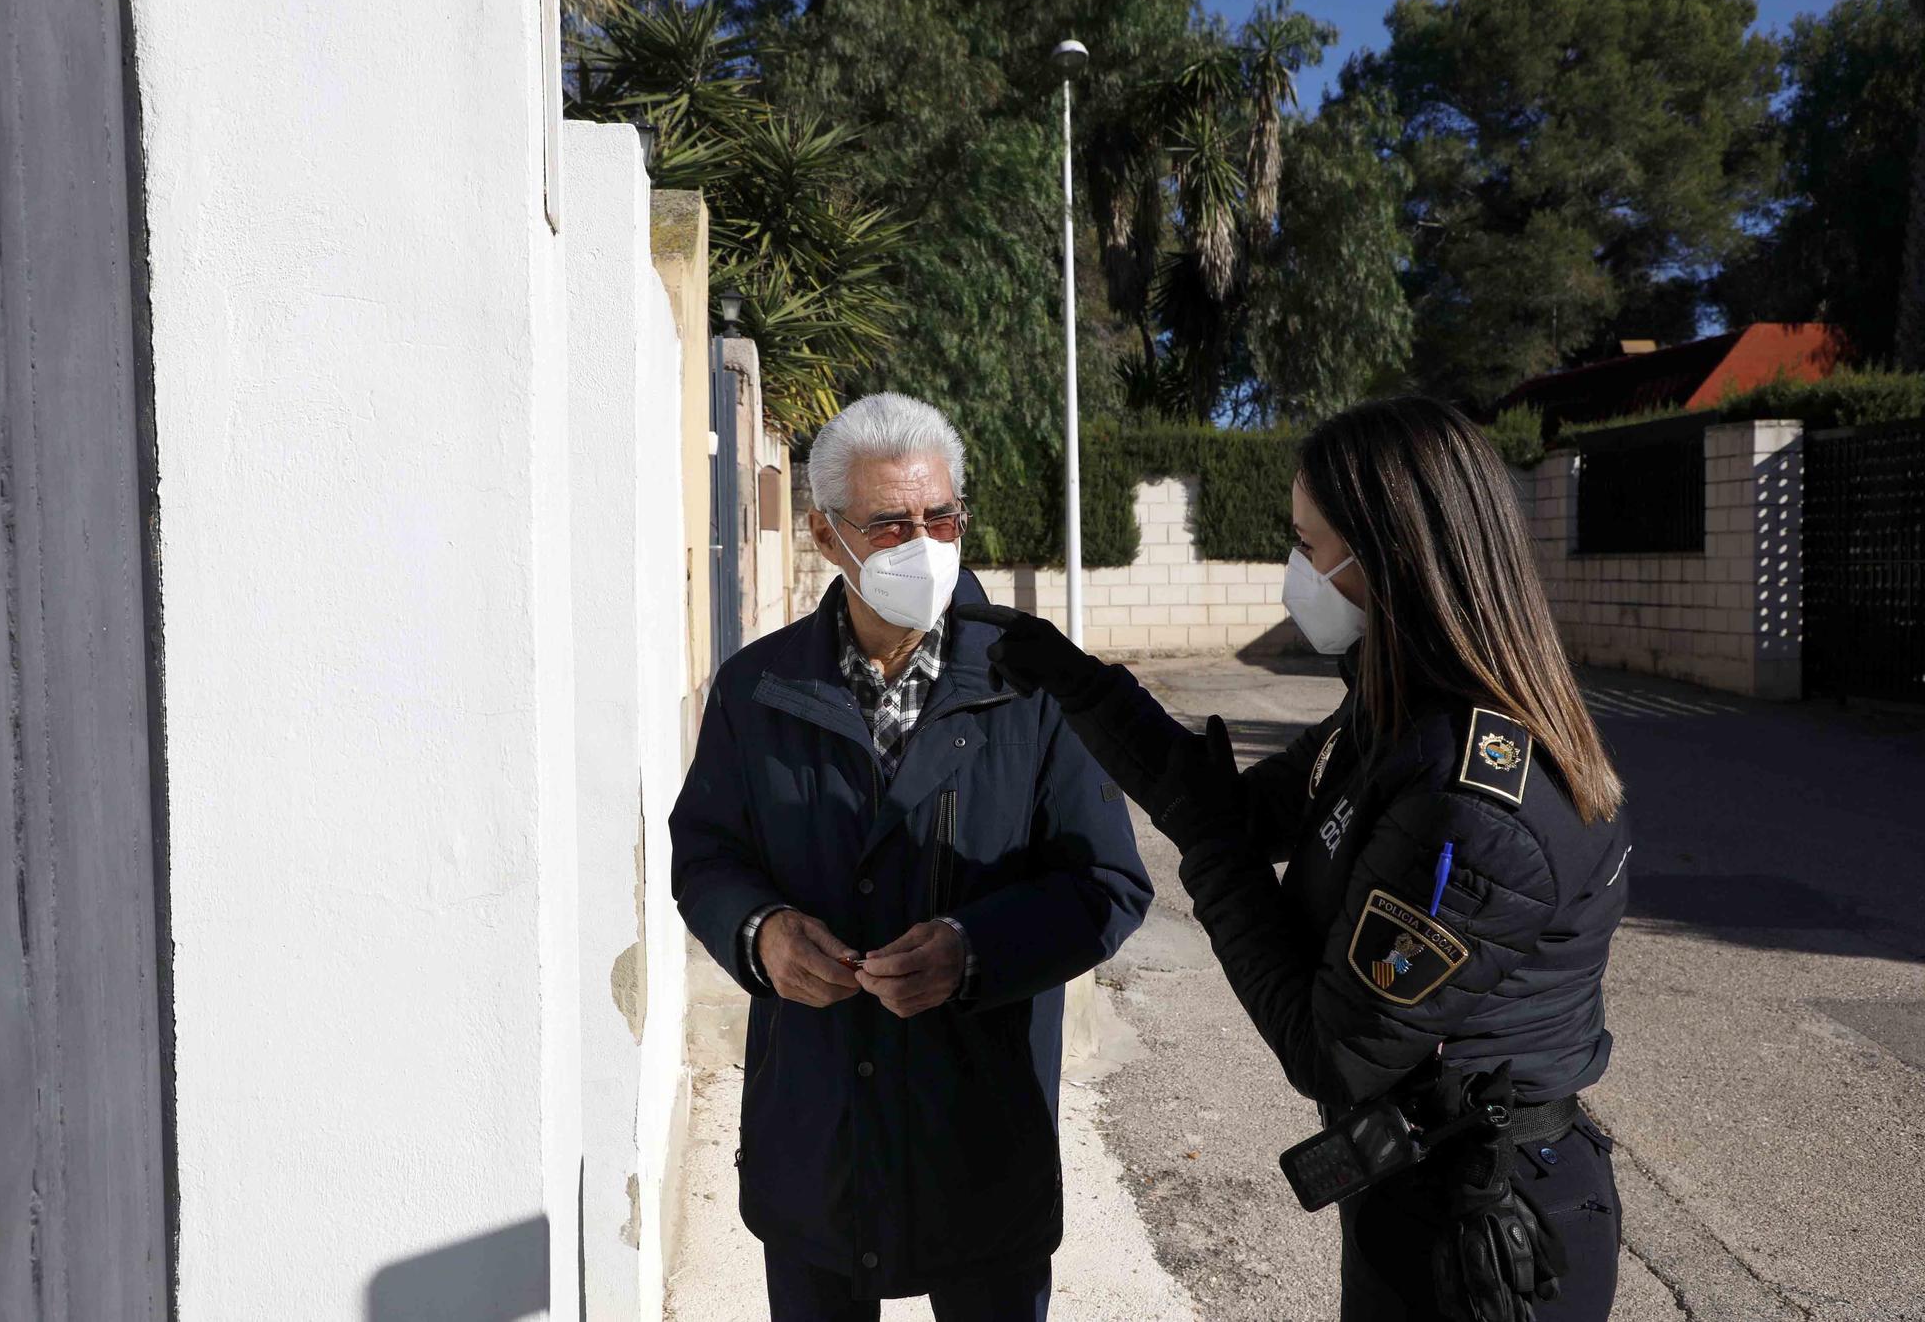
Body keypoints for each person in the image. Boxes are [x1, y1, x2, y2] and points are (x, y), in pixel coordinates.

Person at [960, 395, 1629, 1321]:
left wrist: (1207, 852)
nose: (1295, 571)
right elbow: (1228, 805)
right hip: (1420, 1193)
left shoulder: (1472, 805)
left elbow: (1335, 1051)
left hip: (1493, 1243)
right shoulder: (1393, 723)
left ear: (1388, 563)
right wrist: (1078, 683)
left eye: (1309, 546)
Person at [670, 392, 1151, 1322]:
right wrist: (761, 932)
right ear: (824, 535)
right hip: (816, 1140)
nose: (921, 541)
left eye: (940, 517)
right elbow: (706, 854)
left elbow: (1109, 883)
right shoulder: (756, 689)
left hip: (981, 1140)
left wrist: (974, 950)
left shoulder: (1036, 685)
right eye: (889, 522)